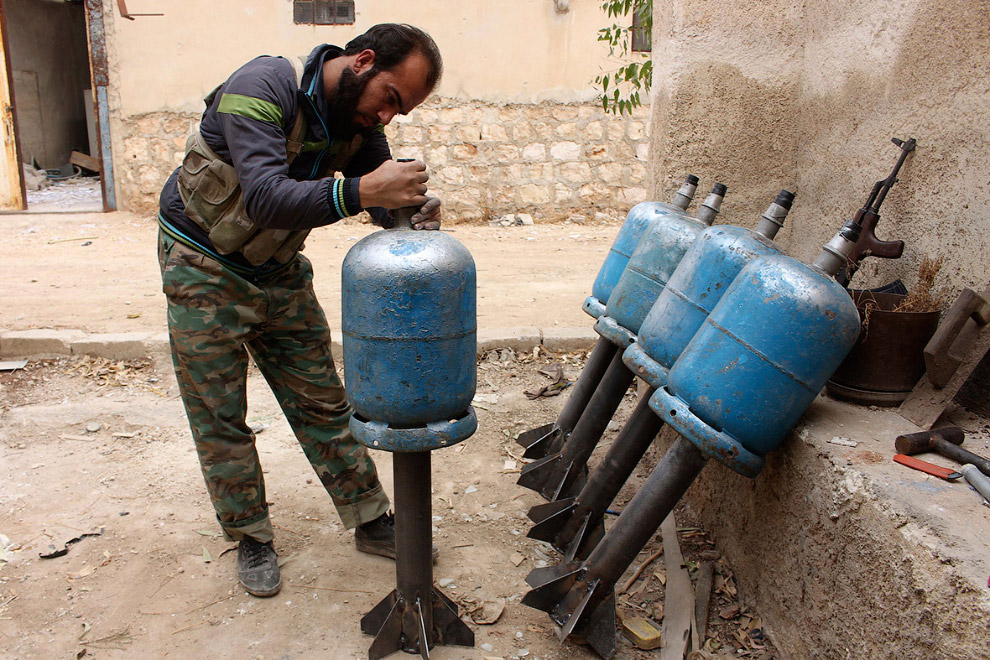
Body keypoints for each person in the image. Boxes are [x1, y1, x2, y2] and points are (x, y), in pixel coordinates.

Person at [156, 23, 443, 598]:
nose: (388, 118)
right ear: (361, 61)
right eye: (391, 98)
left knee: (323, 399)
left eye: (401, 111)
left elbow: (377, 198)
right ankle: (250, 535)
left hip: (278, 269)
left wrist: (407, 210)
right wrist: (362, 192)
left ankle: (368, 516)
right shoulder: (262, 86)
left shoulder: (357, 121)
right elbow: (264, 196)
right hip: (202, 264)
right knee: (220, 412)